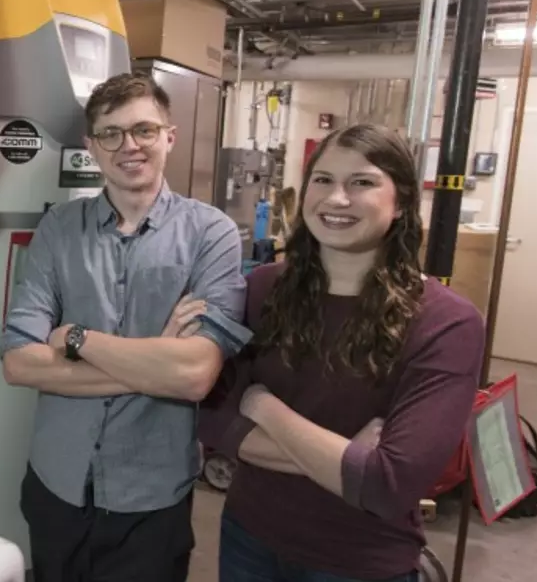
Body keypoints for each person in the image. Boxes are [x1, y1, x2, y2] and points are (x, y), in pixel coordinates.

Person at [182, 123, 486, 582]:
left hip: (360, 561)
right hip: (250, 537)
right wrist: (347, 462)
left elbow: (388, 485)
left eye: (361, 182)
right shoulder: (263, 289)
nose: (336, 199)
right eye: (323, 180)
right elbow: (213, 422)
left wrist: (262, 406)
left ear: (401, 201)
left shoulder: (447, 324)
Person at [0, 71, 252, 581]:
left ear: (169, 137)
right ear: (92, 146)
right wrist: (159, 357)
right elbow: (20, 362)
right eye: (111, 134)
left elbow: (196, 375)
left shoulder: (211, 234)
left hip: (152, 499)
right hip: (57, 486)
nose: (128, 146)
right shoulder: (59, 230)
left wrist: (76, 339)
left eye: (144, 130)